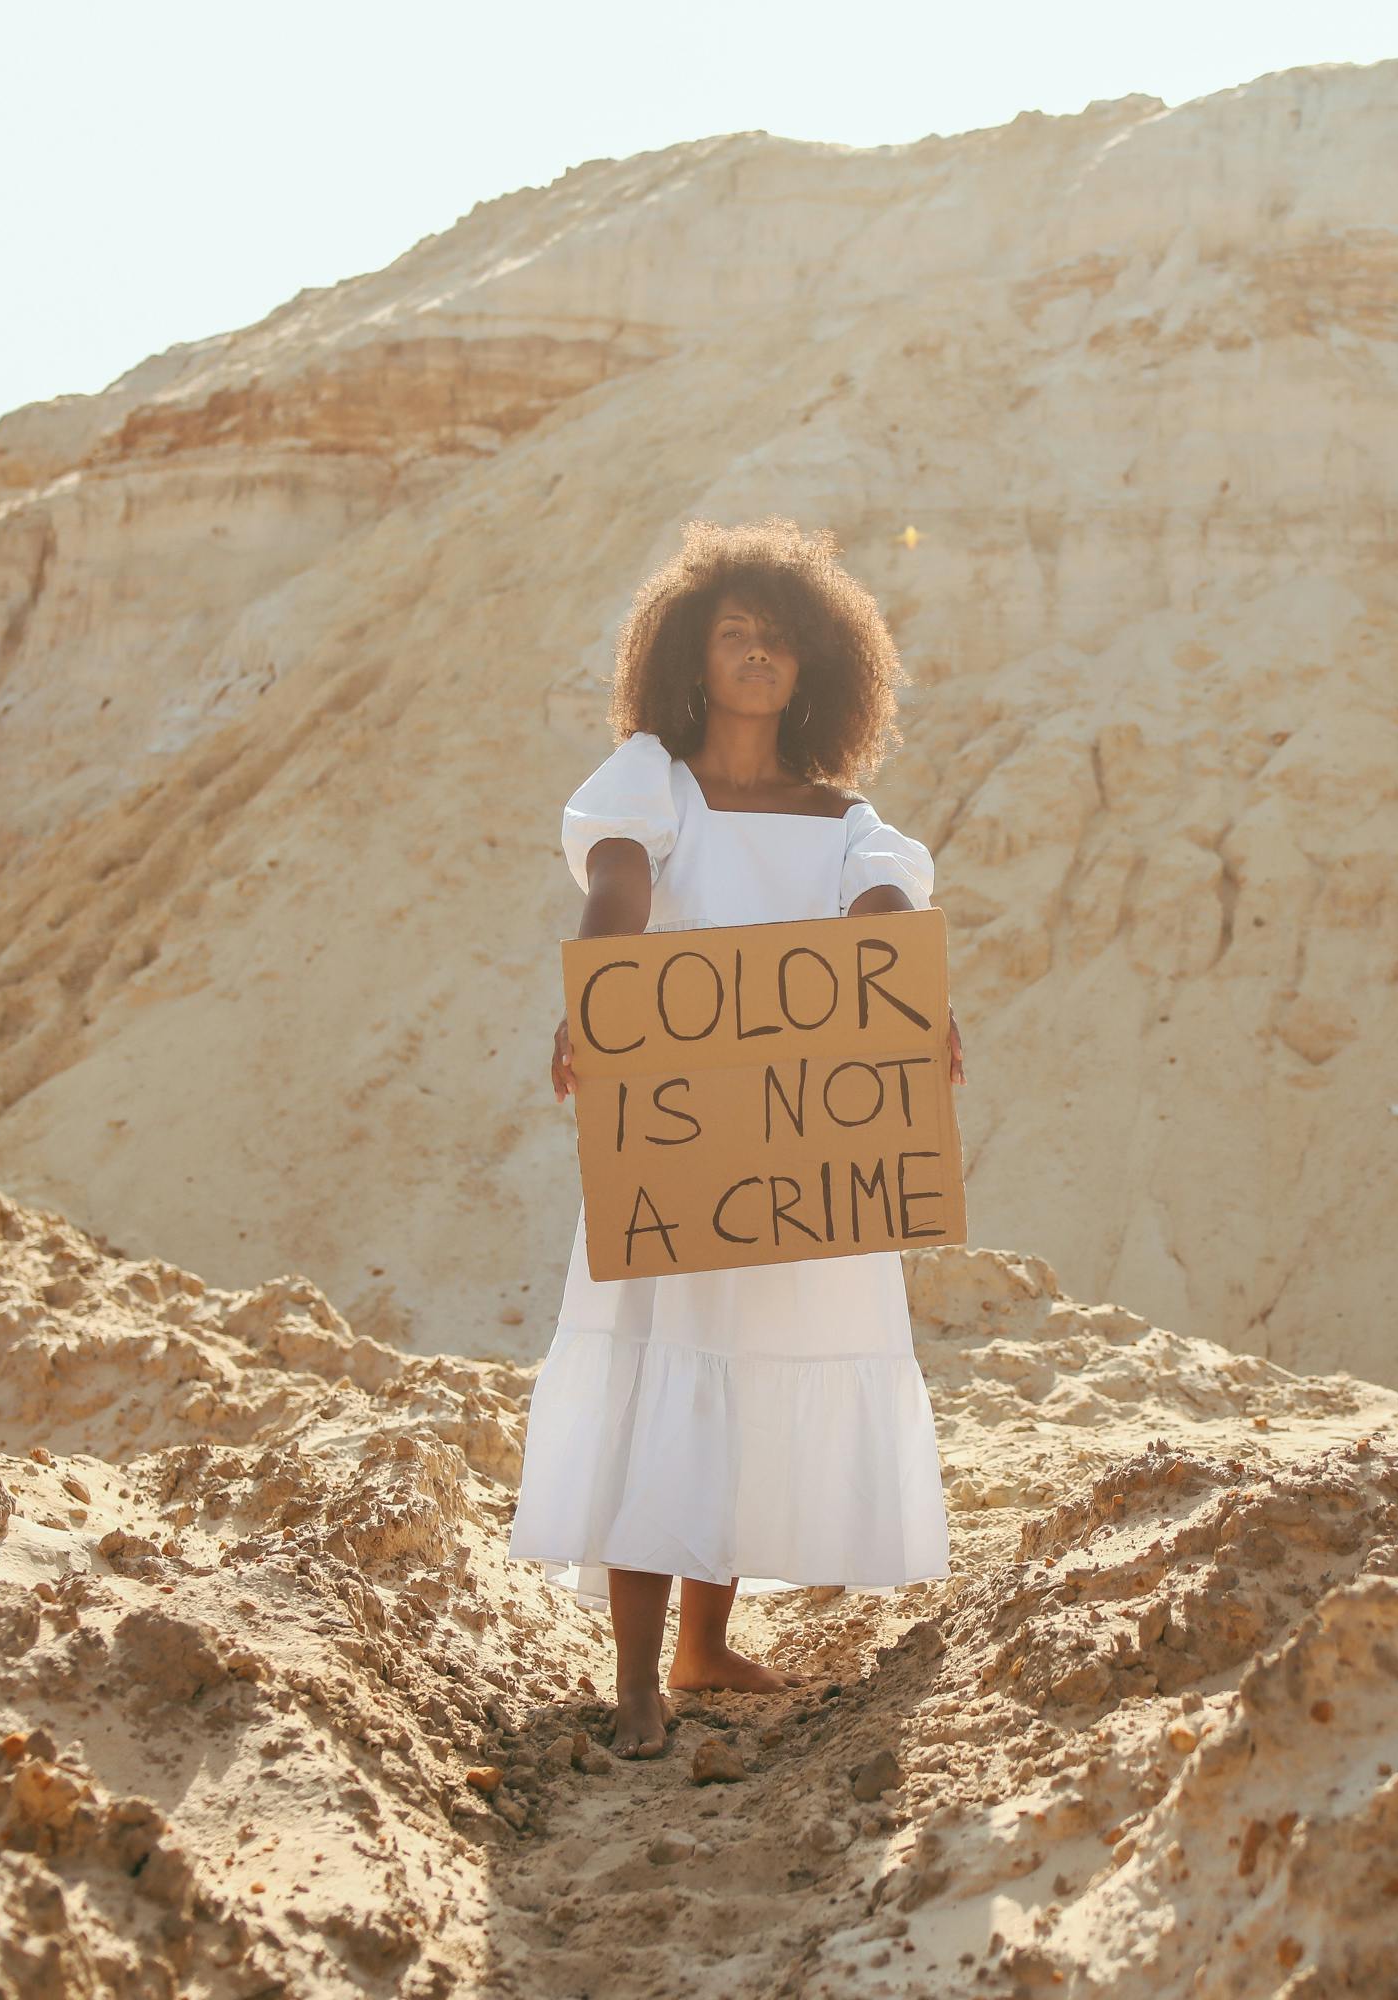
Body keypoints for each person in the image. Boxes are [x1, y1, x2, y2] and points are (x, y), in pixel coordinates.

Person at [508, 516, 965, 1759]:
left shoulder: (846, 814)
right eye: (732, 635)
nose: (757, 654)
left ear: (818, 662)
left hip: (795, 1139)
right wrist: (597, 1001)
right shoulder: (650, 780)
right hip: (675, 1131)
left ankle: (707, 1648)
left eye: (778, 638)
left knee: (745, 1380)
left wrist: (910, 1005)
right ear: (691, 658)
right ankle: (640, 1681)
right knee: (667, 1372)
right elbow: (618, 891)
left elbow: (880, 913)